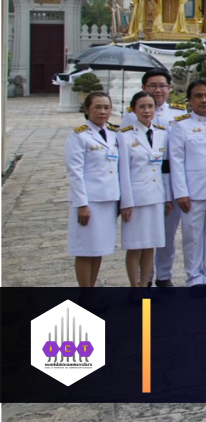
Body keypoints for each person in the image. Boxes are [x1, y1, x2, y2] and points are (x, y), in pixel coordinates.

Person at [120, 68, 187, 288]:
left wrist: (171, 192)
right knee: (140, 240)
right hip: (140, 189)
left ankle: (164, 276)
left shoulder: (178, 114)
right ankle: (142, 281)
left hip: (167, 185)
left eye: (162, 86)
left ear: (169, 88)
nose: (157, 90)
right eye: (152, 86)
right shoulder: (129, 119)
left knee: (165, 235)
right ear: (144, 88)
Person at [169, 80, 206, 290]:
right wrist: (180, 192)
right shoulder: (180, 125)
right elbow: (176, 161)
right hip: (192, 192)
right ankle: (194, 278)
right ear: (190, 100)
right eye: (198, 96)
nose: (204, 100)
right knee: (192, 237)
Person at [117, 91, 171, 292]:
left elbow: (164, 168)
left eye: (150, 106)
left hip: (156, 196)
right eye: (142, 107)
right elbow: (123, 172)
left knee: (151, 244)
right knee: (135, 245)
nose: (147, 111)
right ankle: (134, 287)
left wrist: (167, 197)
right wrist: (126, 202)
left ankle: (144, 286)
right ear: (133, 110)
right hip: (136, 199)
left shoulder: (161, 133)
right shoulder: (124, 136)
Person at [66, 91, 121, 287]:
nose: (102, 112)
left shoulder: (114, 133)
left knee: (99, 249)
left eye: (106, 107)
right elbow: (75, 172)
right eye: (97, 107)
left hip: (109, 200)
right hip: (90, 201)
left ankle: (91, 291)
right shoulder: (79, 135)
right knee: (85, 250)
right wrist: (82, 204)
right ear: (86, 109)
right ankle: (86, 294)